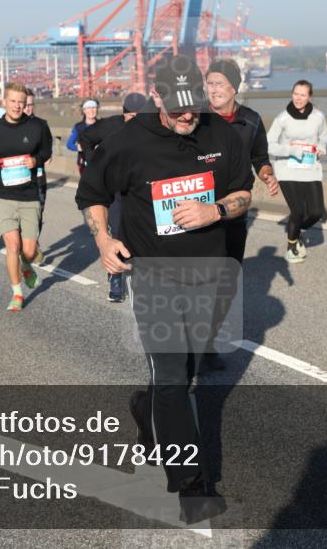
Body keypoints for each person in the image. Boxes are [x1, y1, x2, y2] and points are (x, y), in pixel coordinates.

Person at [75, 55, 252, 524]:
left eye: (192, 104)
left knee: (188, 373)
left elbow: (243, 192)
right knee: (173, 378)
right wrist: (103, 237)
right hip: (152, 275)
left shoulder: (221, 135)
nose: (187, 115)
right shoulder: (127, 142)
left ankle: (144, 406)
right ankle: (192, 487)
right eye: (176, 108)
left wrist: (216, 211)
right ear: (157, 99)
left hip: (209, 274)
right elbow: (91, 194)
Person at [201, 58, 280, 371]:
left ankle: (206, 342)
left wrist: (267, 175)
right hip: (199, 211)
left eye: (220, 84)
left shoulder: (251, 121)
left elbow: (260, 157)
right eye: (210, 84)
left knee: (227, 283)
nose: (214, 90)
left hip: (233, 212)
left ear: (235, 87)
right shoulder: (198, 118)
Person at [0, 82, 52, 311]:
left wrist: (36, 160)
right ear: (4, 101)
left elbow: (47, 150)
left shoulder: (38, 126)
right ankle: (17, 293)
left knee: (29, 250)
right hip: (2, 195)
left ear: (26, 104)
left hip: (28, 194)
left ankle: (26, 266)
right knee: (12, 246)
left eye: (21, 103)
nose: (17, 106)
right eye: (13, 101)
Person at [78, 92, 147, 302]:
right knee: (117, 231)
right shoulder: (110, 125)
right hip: (116, 189)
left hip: (142, 188)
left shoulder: (152, 127)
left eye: (140, 117)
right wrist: (95, 163)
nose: (136, 122)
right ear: (124, 115)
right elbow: (86, 138)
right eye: (131, 117)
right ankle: (116, 279)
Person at [267, 80, 327, 262]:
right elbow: (269, 145)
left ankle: (295, 230)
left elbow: (325, 136)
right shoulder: (282, 118)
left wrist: (321, 146)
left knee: (316, 212)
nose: (298, 98)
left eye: (302, 95)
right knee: (297, 212)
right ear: (291, 94)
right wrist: (292, 150)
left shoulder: (319, 116)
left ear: (309, 97)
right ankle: (291, 245)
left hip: (310, 169)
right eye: (295, 94)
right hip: (287, 169)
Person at [22, 88, 52, 243]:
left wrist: (38, 158)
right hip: (17, 178)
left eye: (31, 105)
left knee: (38, 212)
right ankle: (23, 243)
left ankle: (33, 242)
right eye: (25, 104)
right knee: (21, 215)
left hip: (38, 176)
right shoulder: (9, 126)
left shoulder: (42, 125)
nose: (28, 108)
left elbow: (48, 151)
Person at [65, 99, 99, 173]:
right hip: (83, 162)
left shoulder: (103, 125)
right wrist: (78, 147)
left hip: (99, 161)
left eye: (94, 107)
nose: (92, 110)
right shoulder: (78, 127)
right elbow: (69, 144)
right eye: (88, 108)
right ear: (84, 110)